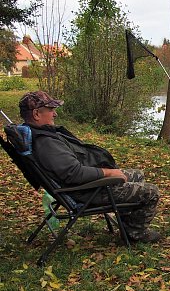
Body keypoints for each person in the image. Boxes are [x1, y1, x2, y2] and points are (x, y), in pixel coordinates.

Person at [18, 91, 161, 243]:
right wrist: (108, 173)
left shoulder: (38, 134)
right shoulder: (46, 143)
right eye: (50, 110)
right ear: (36, 114)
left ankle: (127, 225)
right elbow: (75, 173)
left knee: (137, 175)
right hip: (85, 191)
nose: (55, 114)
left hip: (80, 186)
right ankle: (135, 234)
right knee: (151, 192)